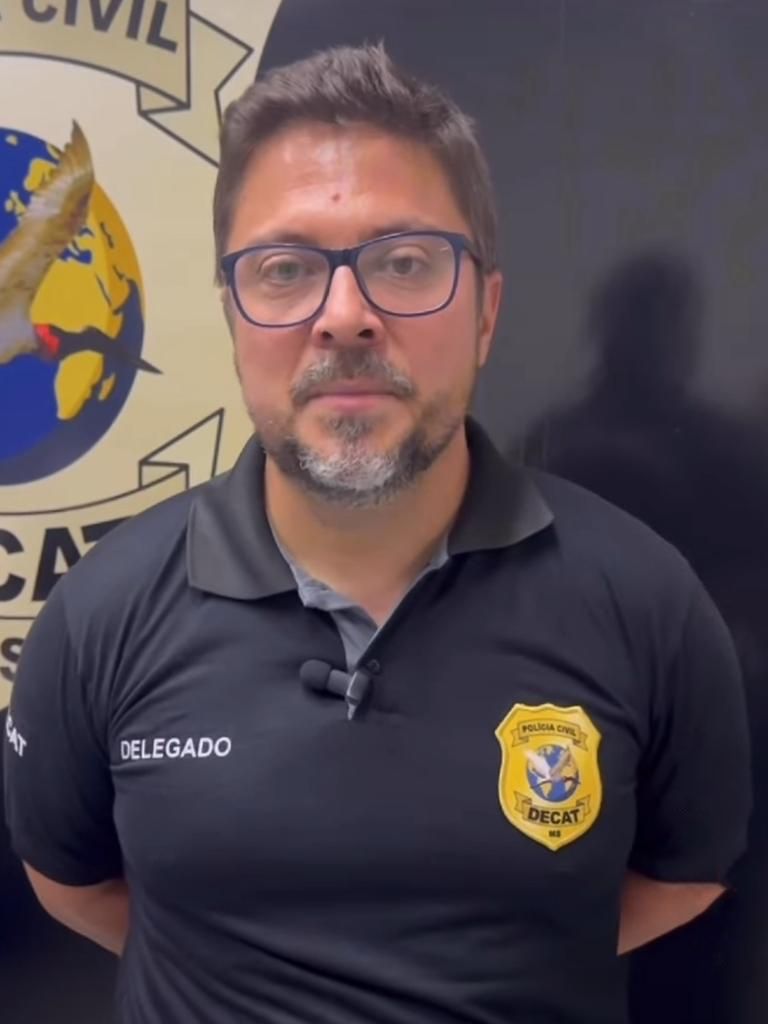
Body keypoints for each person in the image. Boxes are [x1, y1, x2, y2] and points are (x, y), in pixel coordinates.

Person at [3, 44, 751, 1024]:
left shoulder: (646, 600)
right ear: (233, 315)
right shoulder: (101, 612)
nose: (345, 316)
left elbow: (689, 873)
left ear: (485, 312)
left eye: (404, 262)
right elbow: (70, 881)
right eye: (285, 269)